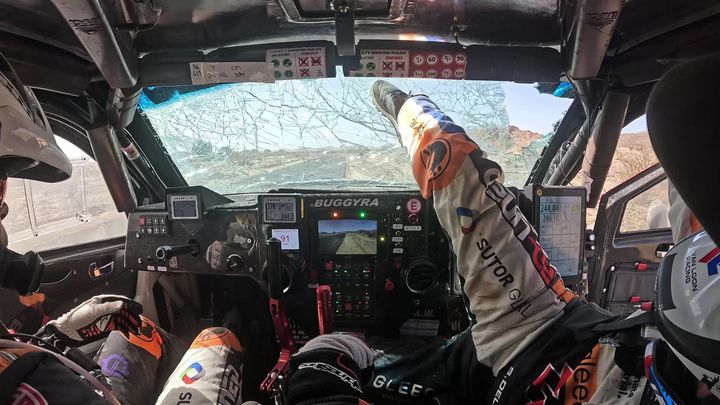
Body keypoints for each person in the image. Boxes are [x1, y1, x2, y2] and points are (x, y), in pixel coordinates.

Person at [276, 73, 720, 404]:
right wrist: (407, 107)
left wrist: (408, 106)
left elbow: (455, 168)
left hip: (531, 329)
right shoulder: (692, 316)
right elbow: (457, 172)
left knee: (313, 364)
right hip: (540, 324)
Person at [0, 51, 245, 405]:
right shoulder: (33, 390)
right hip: (73, 386)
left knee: (140, 331)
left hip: (72, 375)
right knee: (219, 336)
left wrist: (56, 335)